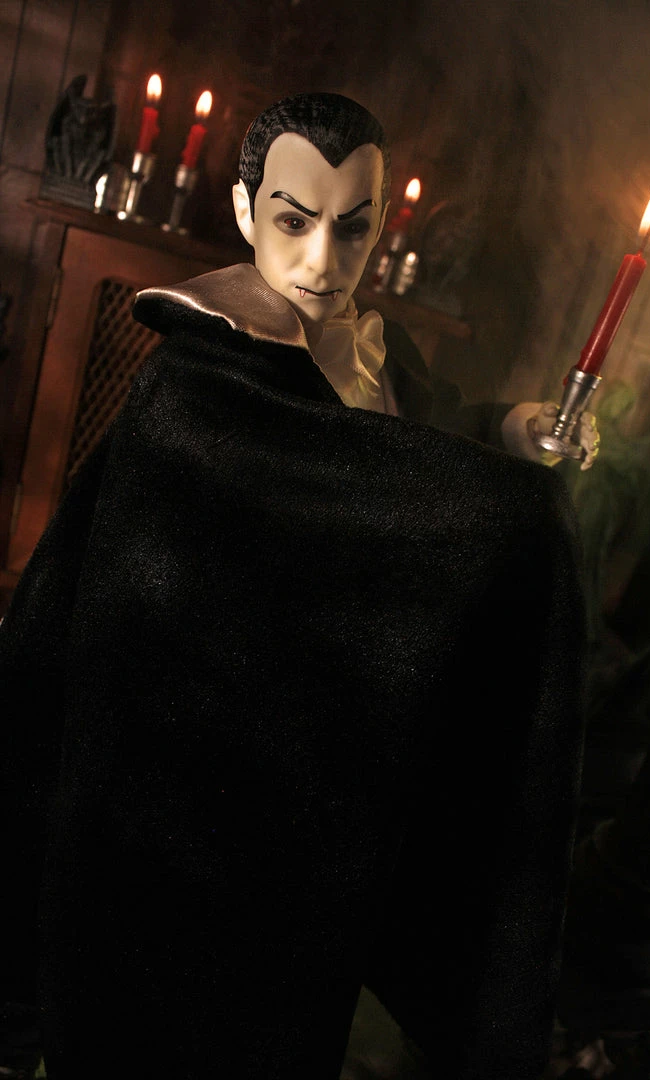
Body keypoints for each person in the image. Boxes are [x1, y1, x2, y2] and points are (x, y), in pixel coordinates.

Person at [1, 92, 588, 1080]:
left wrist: (505, 428)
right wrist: (509, 512)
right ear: (245, 212)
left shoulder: (376, 345)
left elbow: (413, 440)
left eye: (352, 229)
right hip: (193, 786)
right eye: (293, 221)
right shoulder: (193, 388)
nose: (321, 260)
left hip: (328, 777)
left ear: (380, 225)